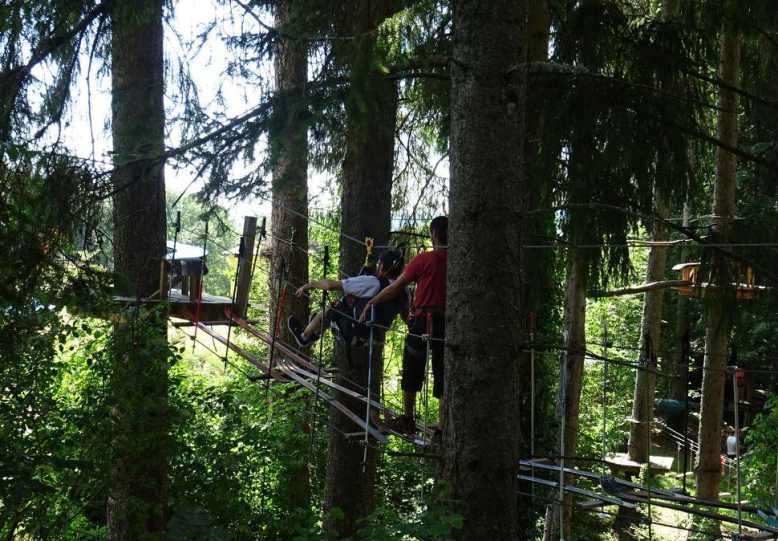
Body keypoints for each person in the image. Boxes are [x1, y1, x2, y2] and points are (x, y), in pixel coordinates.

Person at [360, 216, 447, 434]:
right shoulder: (459, 260)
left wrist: (372, 301)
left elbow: (396, 287)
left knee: (412, 368)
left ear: (434, 234)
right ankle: (444, 425)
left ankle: (408, 418)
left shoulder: (424, 259)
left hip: (421, 322)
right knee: (443, 372)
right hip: (446, 323)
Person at [287, 249, 407, 348]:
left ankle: (304, 337)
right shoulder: (404, 292)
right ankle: (315, 331)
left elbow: (330, 286)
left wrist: (310, 285)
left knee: (333, 307)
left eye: (378, 264)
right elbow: (406, 316)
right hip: (376, 336)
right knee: (336, 308)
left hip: (354, 331)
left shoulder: (374, 283)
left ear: (382, 266)